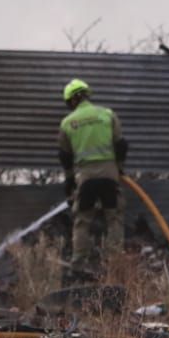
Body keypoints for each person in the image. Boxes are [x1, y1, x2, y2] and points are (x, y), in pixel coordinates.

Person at [58, 78, 128, 272]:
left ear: (71, 101)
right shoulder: (107, 114)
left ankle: (79, 263)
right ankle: (115, 263)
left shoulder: (67, 123)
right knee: (114, 217)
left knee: (82, 219)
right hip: (109, 174)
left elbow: (64, 155)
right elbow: (121, 144)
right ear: (87, 95)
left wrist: (70, 180)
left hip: (85, 177)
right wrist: (119, 168)